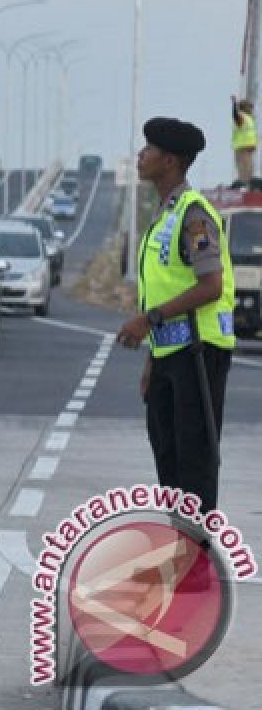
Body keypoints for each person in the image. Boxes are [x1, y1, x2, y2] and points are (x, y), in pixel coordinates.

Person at [116, 117, 235, 513]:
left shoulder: (193, 215)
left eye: (148, 149)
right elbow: (169, 284)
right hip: (171, 354)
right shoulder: (165, 215)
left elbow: (210, 285)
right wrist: (154, 356)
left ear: (169, 161)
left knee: (194, 466)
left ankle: (199, 562)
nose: (140, 155)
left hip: (199, 353)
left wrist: (147, 321)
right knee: (168, 461)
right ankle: (181, 555)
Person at [231, 95, 256, 182]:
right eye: (250, 107)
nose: (252, 109)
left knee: (249, 169)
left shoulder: (249, 119)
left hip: (248, 148)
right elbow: (235, 116)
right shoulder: (242, 117)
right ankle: (244, 186)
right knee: (244, 169)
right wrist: (234, 105)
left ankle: (247, 186)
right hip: (242, 148)